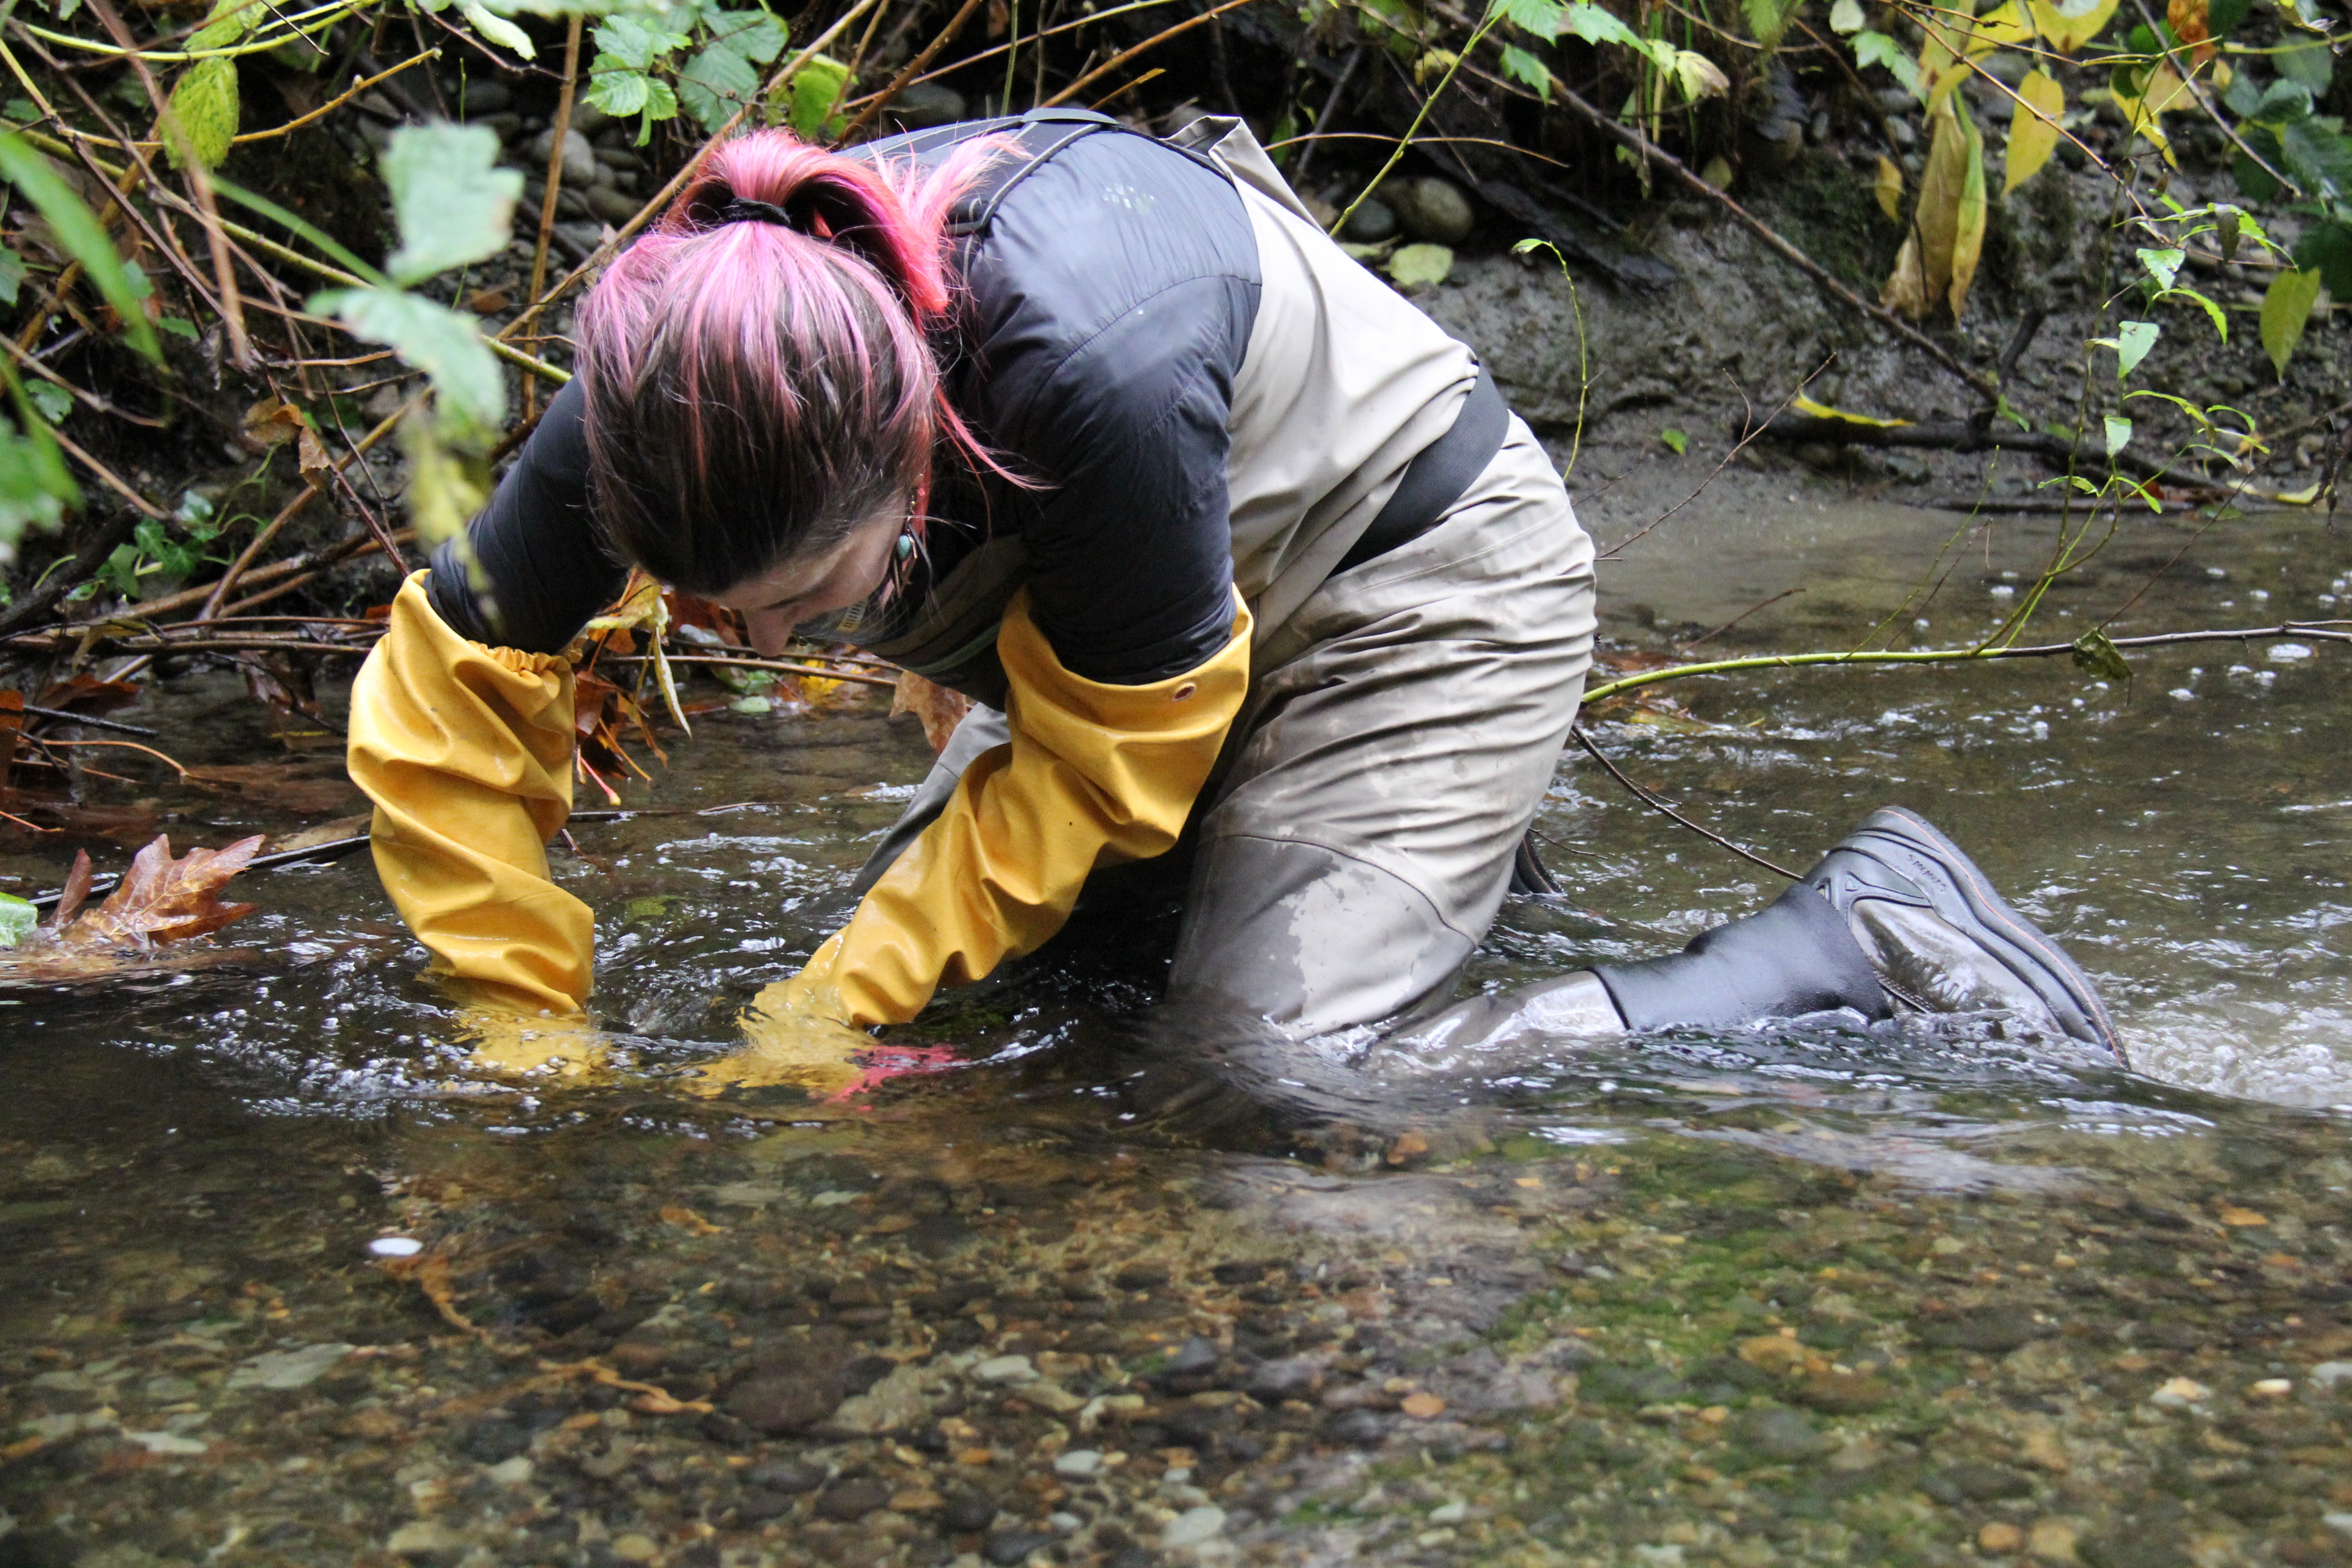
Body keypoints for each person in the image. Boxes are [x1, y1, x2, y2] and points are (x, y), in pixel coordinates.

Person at [345, 108, 2123, 1088]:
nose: (752, 656)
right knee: (982, 1019)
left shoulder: (1079, 373)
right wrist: (523, 1028)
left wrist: (837, 993)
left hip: (1408, 590)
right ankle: (1417, 899)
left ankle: (1859, 943)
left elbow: (1108, 758)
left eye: (806, 611)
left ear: (913, 463)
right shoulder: (668, 411)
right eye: (705, 613)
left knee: (1266, 1075)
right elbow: (441, 715)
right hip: (1151, 637)